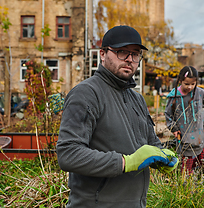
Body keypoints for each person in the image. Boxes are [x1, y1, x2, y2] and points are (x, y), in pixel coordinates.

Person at [56, 25, 178, 207]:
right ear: (102, 54)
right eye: (122, 52)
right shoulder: (86, 93)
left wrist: (162, 156)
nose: (130, 60)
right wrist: (125, 162)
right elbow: (68, 154)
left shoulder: (137, 98)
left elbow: (150, 143)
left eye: (135, 54)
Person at [164, 66, 204, 174]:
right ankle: (185, 185)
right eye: (186, 84)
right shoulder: (174, 97)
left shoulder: (200, 93)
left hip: (199, 135)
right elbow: (168, 114)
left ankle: (194, 176)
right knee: (186, 168)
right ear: (180, 80)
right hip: (184, 136)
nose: (190, 87)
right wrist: (174, 128)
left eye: (193, 84)